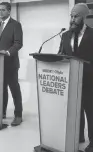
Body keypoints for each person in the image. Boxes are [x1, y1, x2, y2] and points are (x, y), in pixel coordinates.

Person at [58, 3, 93, 152]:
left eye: (76, 16)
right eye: (71, 16)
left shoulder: (92, 35)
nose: (72, 19)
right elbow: (60, 54)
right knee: (75, 109)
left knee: (90, 111)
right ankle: (78, 136)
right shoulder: (65, 35)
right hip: (71, 80)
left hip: (89, 80)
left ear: (84, 17)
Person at [0, 2, 23, 126]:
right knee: (1, 89)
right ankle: (2, 112)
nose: (0, 12)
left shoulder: (16, 25)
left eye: (3, 10)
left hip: (10, 63)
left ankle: (18, 114)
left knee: (14, 89)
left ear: (9, 11)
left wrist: (8, 52)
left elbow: (18, 43)